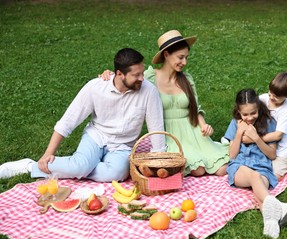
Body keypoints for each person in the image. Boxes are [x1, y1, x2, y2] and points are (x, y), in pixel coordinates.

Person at [0, 48, 165, 182]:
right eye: (136, 75)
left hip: (123, 146)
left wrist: (159, 162)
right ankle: (31, 166)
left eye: (142, 73)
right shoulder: (95, 87)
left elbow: (156, 127)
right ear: (119, 74)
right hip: (96, 137)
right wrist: (48, 153)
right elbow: (69, 120)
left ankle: (78, 166)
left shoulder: (149, 91)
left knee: (116, 175)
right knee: (81, 166)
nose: (142, 78)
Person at [100, 30, 229, 177]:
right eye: (180, 57)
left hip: (192, 132)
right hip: (168, 134)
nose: (184, 62)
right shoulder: (149, 78)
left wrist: (204, 125)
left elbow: (196, 108)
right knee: (198, 170)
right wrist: (110, 75)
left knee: (222, 169)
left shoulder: (186, 78)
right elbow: (128, 81)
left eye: (186, 57)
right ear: (166, 54)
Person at [223, 88, 287, 239]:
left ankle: (270, 222)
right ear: (238, 111)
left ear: (259, 108)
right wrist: (239, 133)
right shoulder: (235, 123)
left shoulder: (269, 123)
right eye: (245, 114)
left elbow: (271, 155)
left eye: (253, 113)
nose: (249, 117)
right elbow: (232, 155)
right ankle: (279, 206)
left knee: (258, 184)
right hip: (240, 168)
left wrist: (256, 138)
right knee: (253, 176)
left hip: (263, 167)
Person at [259, 72, 287, 180]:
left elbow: (278, 136)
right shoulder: (263, 99)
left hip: (285, 151)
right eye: (270, 93)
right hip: (270, 145)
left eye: (276, 96)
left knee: (271, 176)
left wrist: (255, 139)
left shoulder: (286, 110)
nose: (271, 97)